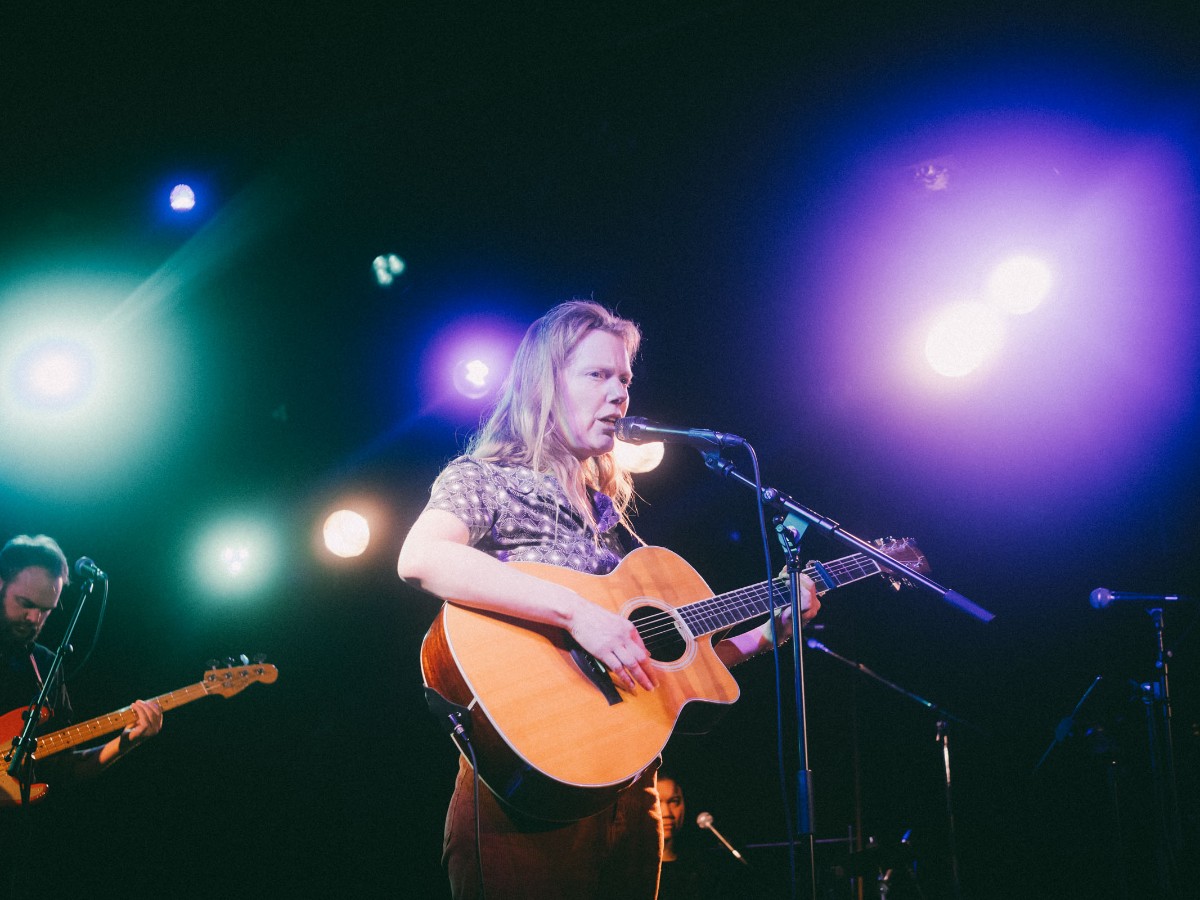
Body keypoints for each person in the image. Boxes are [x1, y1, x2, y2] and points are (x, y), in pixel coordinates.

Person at [397, 300, 819, 899]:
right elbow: (422, 557)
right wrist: (577, 613)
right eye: (598, 375)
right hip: (526, 794)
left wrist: (767, 636)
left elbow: (669, 677)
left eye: (624, 378)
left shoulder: (611, 520)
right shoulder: (483, 478)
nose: (619, 393)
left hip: (631, 792)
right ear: (545, 383)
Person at [0, 534, 163, 795]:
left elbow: (66, 768)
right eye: (26, 604)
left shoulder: (45, 666)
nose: (34, 618)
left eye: (46, 610)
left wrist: (127, 741)